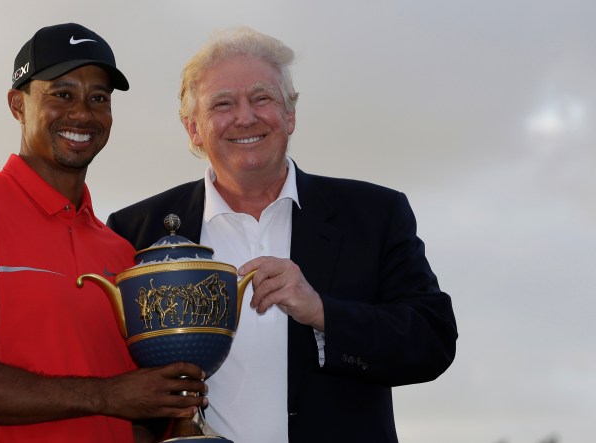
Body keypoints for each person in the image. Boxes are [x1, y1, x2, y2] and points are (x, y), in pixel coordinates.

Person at [107, 26, 458, 442]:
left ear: (290, 114)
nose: (245, 117)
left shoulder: (375, 214)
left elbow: (433, 340)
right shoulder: (133, 231)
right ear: (193, 129)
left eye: (262, 98)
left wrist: (322, 312)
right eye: (223, 104)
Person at [0, 23, 207, 443]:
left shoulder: (120, 253)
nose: (82, 113)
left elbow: (130, 410)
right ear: (18, 104)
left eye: (98, 98)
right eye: (61, 94)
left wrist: (172, 410)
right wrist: (106, 396)